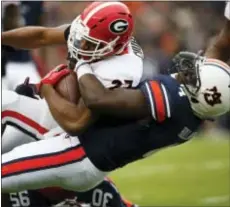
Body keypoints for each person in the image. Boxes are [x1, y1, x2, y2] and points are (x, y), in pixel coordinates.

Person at [2, 51, 230, 193]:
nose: (189, 71)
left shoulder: (171, 100)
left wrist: (83, 62)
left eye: (195, 76)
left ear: (201, 94)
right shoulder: (192, 114)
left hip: (77, 155)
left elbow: (98, 99)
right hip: (83, 148)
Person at [2, 2, 142, 206]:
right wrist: (3, 38)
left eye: (90, 44)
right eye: (83, 39)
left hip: (78, 142)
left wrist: (47, 87)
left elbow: (76, 123)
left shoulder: (122, 70)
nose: (81, 46)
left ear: (114, 46)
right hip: (60, 121)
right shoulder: (94, 35)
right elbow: (42, 36)